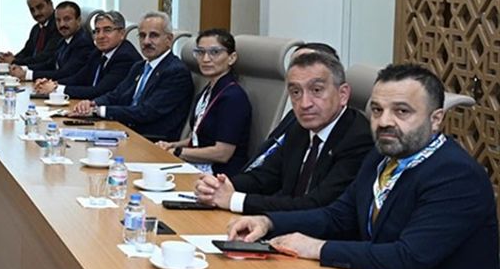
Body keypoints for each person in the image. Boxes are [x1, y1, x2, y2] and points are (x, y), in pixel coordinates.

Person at [227, 64, 500, 269]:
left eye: (402, 111)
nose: (384, 122)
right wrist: (269, 221)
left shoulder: (455, 174)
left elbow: (408, 257)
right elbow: (337, 216)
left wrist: (318, 248)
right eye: (378, 110)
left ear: (436, 119)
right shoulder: (381, 157)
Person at [195, 51, 372, 213]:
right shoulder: (300, 128)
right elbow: (266, 177)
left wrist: (234, 200)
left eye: (316, 90)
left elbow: (317, 204)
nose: (304, 104)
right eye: (295, 92)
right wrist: (220, 186)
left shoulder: (358, 139)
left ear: (343, 94)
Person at [68, 11, 193, 141]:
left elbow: (146, 112)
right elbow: (116, 95)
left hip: (150, 140)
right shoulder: (139, 66)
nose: (146, 41)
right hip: (126, 131)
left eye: (154, 35)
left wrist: (99, 111)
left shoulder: (176, 72)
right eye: (142, 36)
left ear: (169, 40)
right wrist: (92, 103)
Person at [154, 29, 251, 175]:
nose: (205, 59)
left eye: (215, 52)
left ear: (232, 58)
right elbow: (198, 139)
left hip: (219, 174)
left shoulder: (233, 97)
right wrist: (171, 145)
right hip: (198, 165)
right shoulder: (207, 91)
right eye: (200, 52)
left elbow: (222, 153)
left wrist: (178, 152)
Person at [243, 42, 341, 171]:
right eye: (294, 64)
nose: (305, 104)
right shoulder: (296, 119)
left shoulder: (348, 137)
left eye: (316, 90)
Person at [33, 10, 141, 100]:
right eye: (97, 31)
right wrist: (51, 83)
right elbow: (79, 78)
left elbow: (99, 91)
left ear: (122, 33)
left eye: (107, 30)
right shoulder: (98, 52)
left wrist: (56, 88)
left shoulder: (125, 57)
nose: (100, 36)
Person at [9, 1, 95, 84]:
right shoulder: (63, 40)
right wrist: (23, 69)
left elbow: (65, 73)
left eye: (67, 19)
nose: (62, 24)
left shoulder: (83, 42)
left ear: (78, 20)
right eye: (58, 20)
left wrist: (28, 75)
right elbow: (50, 64)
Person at [0, 0, 59, 66]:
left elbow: (44, 57)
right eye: (32, 10)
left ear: (50, 4)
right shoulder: (36, 29)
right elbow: (26, 52)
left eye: (39, 7)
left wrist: (14, 61)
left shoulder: (59, 26)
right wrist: (10, 58)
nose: (36, 13)